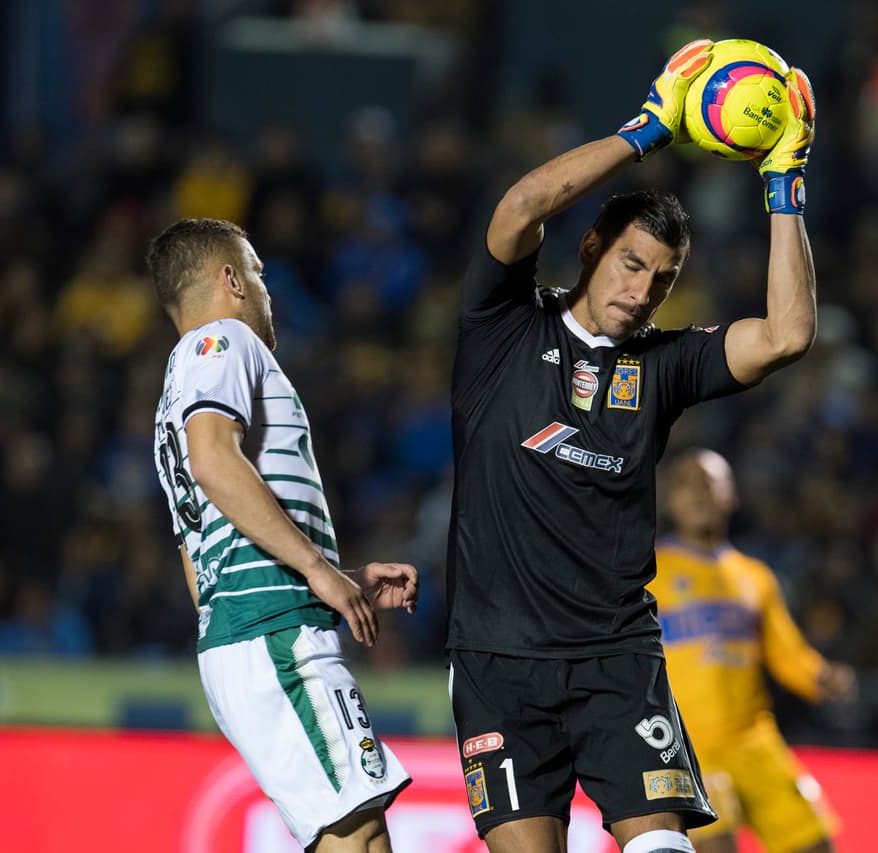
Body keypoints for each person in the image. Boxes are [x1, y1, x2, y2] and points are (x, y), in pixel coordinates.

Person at [446, 39, 819, 853]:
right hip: (497, 661)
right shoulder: (505, 329)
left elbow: (787, 335)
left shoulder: (664, 364)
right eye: (630, 263)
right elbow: (519, 208)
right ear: (591, 252)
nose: (642, 289)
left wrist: (783, 184)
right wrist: (649, 129)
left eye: (663, 277)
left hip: (617, 658)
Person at [148, 218, 417, 853]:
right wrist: (316, 573)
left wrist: (331, 578)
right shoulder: (222, 343)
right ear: (230, 279)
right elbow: (215, 461)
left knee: (360, 831)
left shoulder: (171, 396)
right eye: (261, 274)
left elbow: (201, 555)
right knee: (355, 837)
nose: (269, 290)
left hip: (252, 631)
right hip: (272, 635)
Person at [651, 449, 856, 853]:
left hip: (754, 739)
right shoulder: (649, 570)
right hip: (688, 743)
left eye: (708, 484)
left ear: (731, 495)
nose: (697, 494)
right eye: (684, 485)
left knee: (816, 843)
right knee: (717, 846)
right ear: (669, 500)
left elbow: (786, 652)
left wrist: (820, 677)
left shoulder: (756, 578)